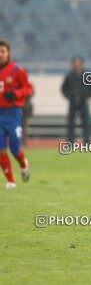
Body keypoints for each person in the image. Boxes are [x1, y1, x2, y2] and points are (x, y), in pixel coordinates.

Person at [0, 38, 33, 189]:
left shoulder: (17, 71)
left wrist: (16, 93)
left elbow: (29, 88)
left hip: (13, 113)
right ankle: (11, 180)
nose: (0, 54)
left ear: (8, 53)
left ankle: (23, 163)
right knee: (0, 149)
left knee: (14, 148)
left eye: (2, 51)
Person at [61, 56, 91, 144]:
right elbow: (64, 89)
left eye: (78, 64)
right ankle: (70, 142)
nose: (77, 66)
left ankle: (87, 142)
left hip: (83, 101)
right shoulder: (69, 76)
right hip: (72, 102)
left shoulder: (87, 75)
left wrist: (86, 95)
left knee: (85, 122)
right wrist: (70, 96)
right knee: (71, 122)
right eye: (75, 64)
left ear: (82, 64)